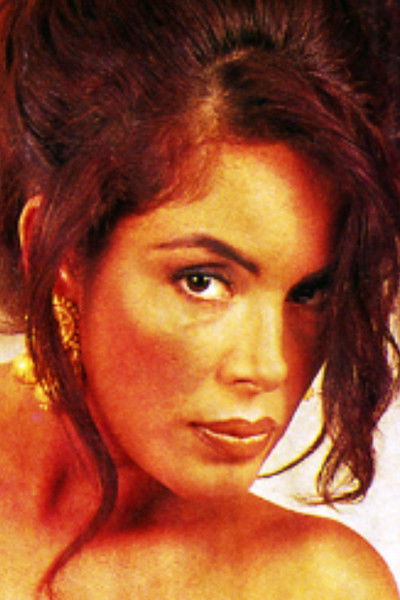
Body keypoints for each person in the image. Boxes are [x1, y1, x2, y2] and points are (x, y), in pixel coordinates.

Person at [0, 0, 398, 597]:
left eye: (310, 292)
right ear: (62, 252)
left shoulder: (313, 586)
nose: (268, 366)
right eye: (204, 281)